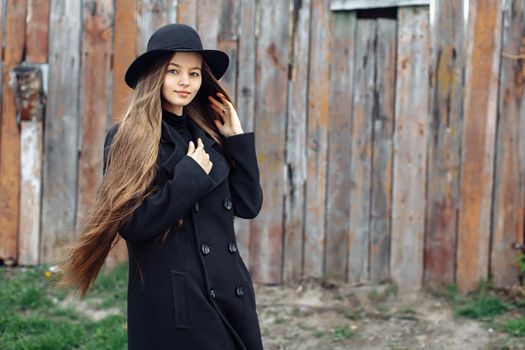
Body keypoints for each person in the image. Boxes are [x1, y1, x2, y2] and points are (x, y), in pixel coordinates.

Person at [58, 23, 264, 350]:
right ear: (155, 75)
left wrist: (236, 140)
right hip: (179, 300)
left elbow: (248, 205)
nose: (186, 82)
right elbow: (132, 224)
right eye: (174, 71)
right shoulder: (130, 137)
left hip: (230, 291)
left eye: (194, 73)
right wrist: (190, 178)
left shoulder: (207, 135)